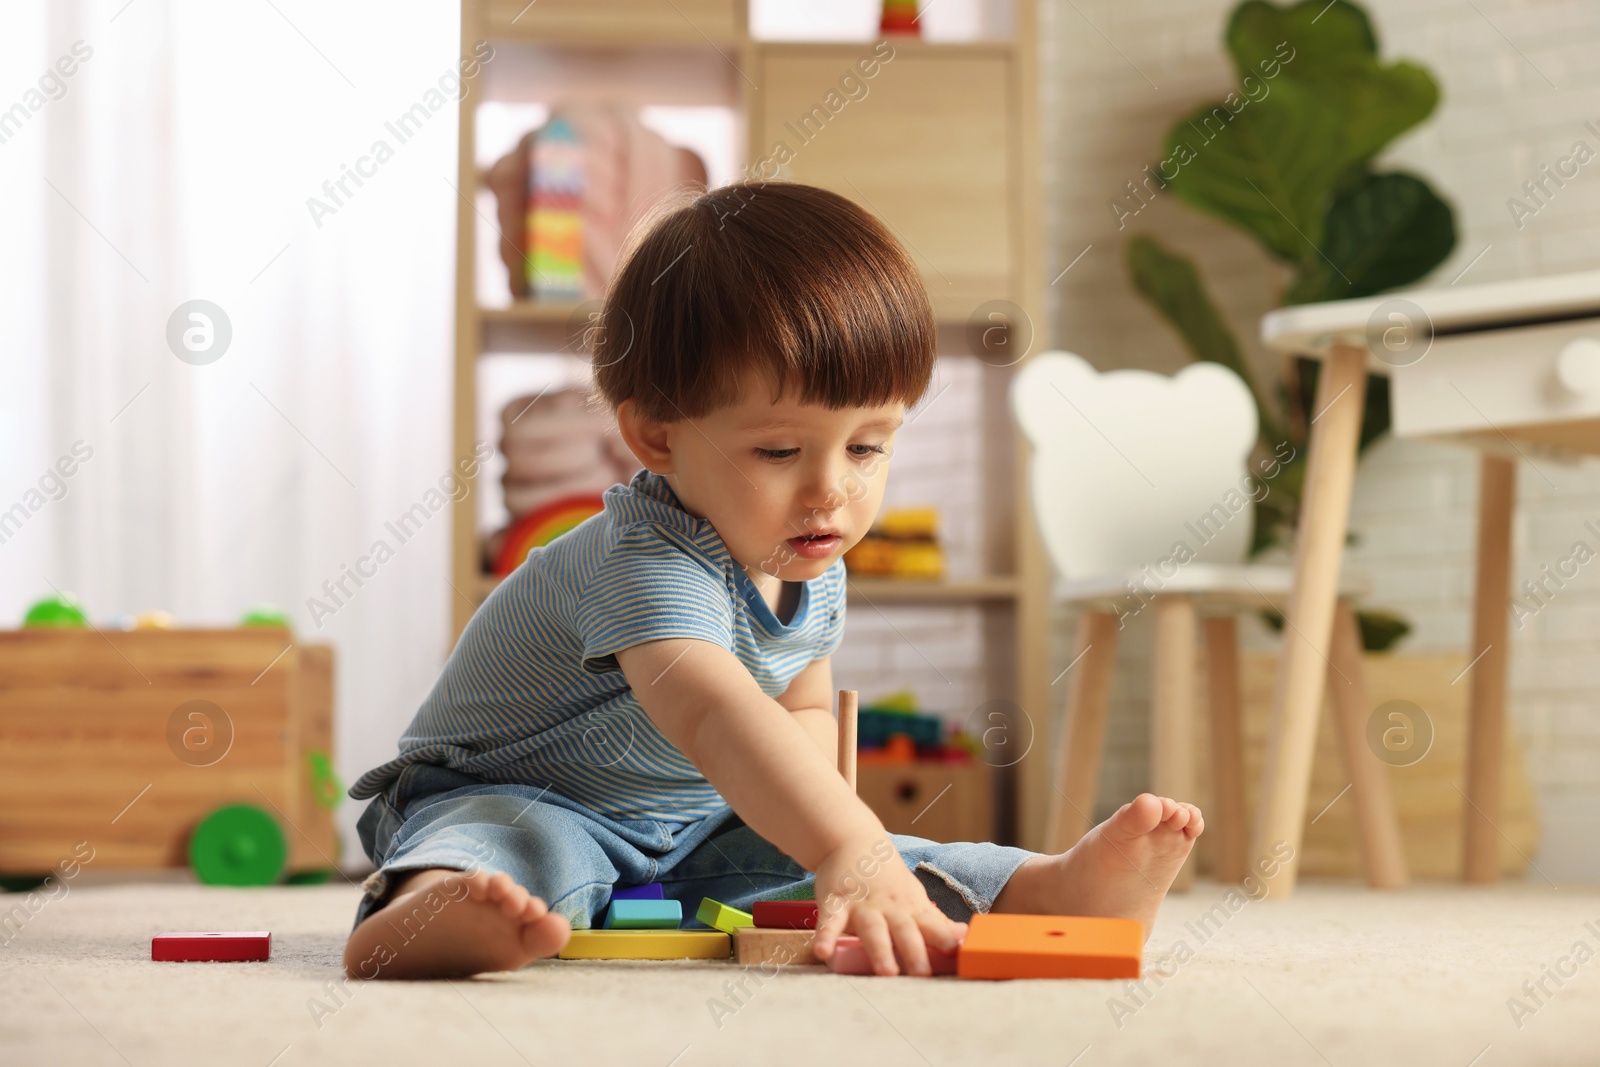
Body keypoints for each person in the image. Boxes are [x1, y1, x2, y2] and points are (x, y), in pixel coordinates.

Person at [343, 181, 1203, 980]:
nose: (834, 489)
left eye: (867, 446)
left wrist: (842, 845)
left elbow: (796, 715)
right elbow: (717, 715)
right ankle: (430, 908)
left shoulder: (808, 557)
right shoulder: (644, 559)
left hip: (686, 827)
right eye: (780, 451)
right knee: (528, 843)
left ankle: (1041, 890)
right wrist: (846, 846)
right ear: (658, 435)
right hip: (517, 796)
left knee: (865, 859)